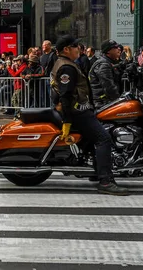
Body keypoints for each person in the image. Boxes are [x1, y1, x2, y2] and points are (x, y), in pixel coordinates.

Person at [51, 35, 129, 195]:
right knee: (103, 138)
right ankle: (106, 181)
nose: (79, 48)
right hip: (77, 112)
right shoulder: (67, 67)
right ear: (66, 49)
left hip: (80, 109)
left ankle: (96, 171)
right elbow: (65, 96)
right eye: (75, 45)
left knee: (94, 138)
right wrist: (67, 121)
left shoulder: (67, 64)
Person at [89, 40, 123, 108]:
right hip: (103, 103)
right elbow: (109, 87)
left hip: (107, 101)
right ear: (108, 51)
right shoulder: (104, 64)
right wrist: (119, 101)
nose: (118, 49)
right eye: (115, 47)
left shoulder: (110, 62)